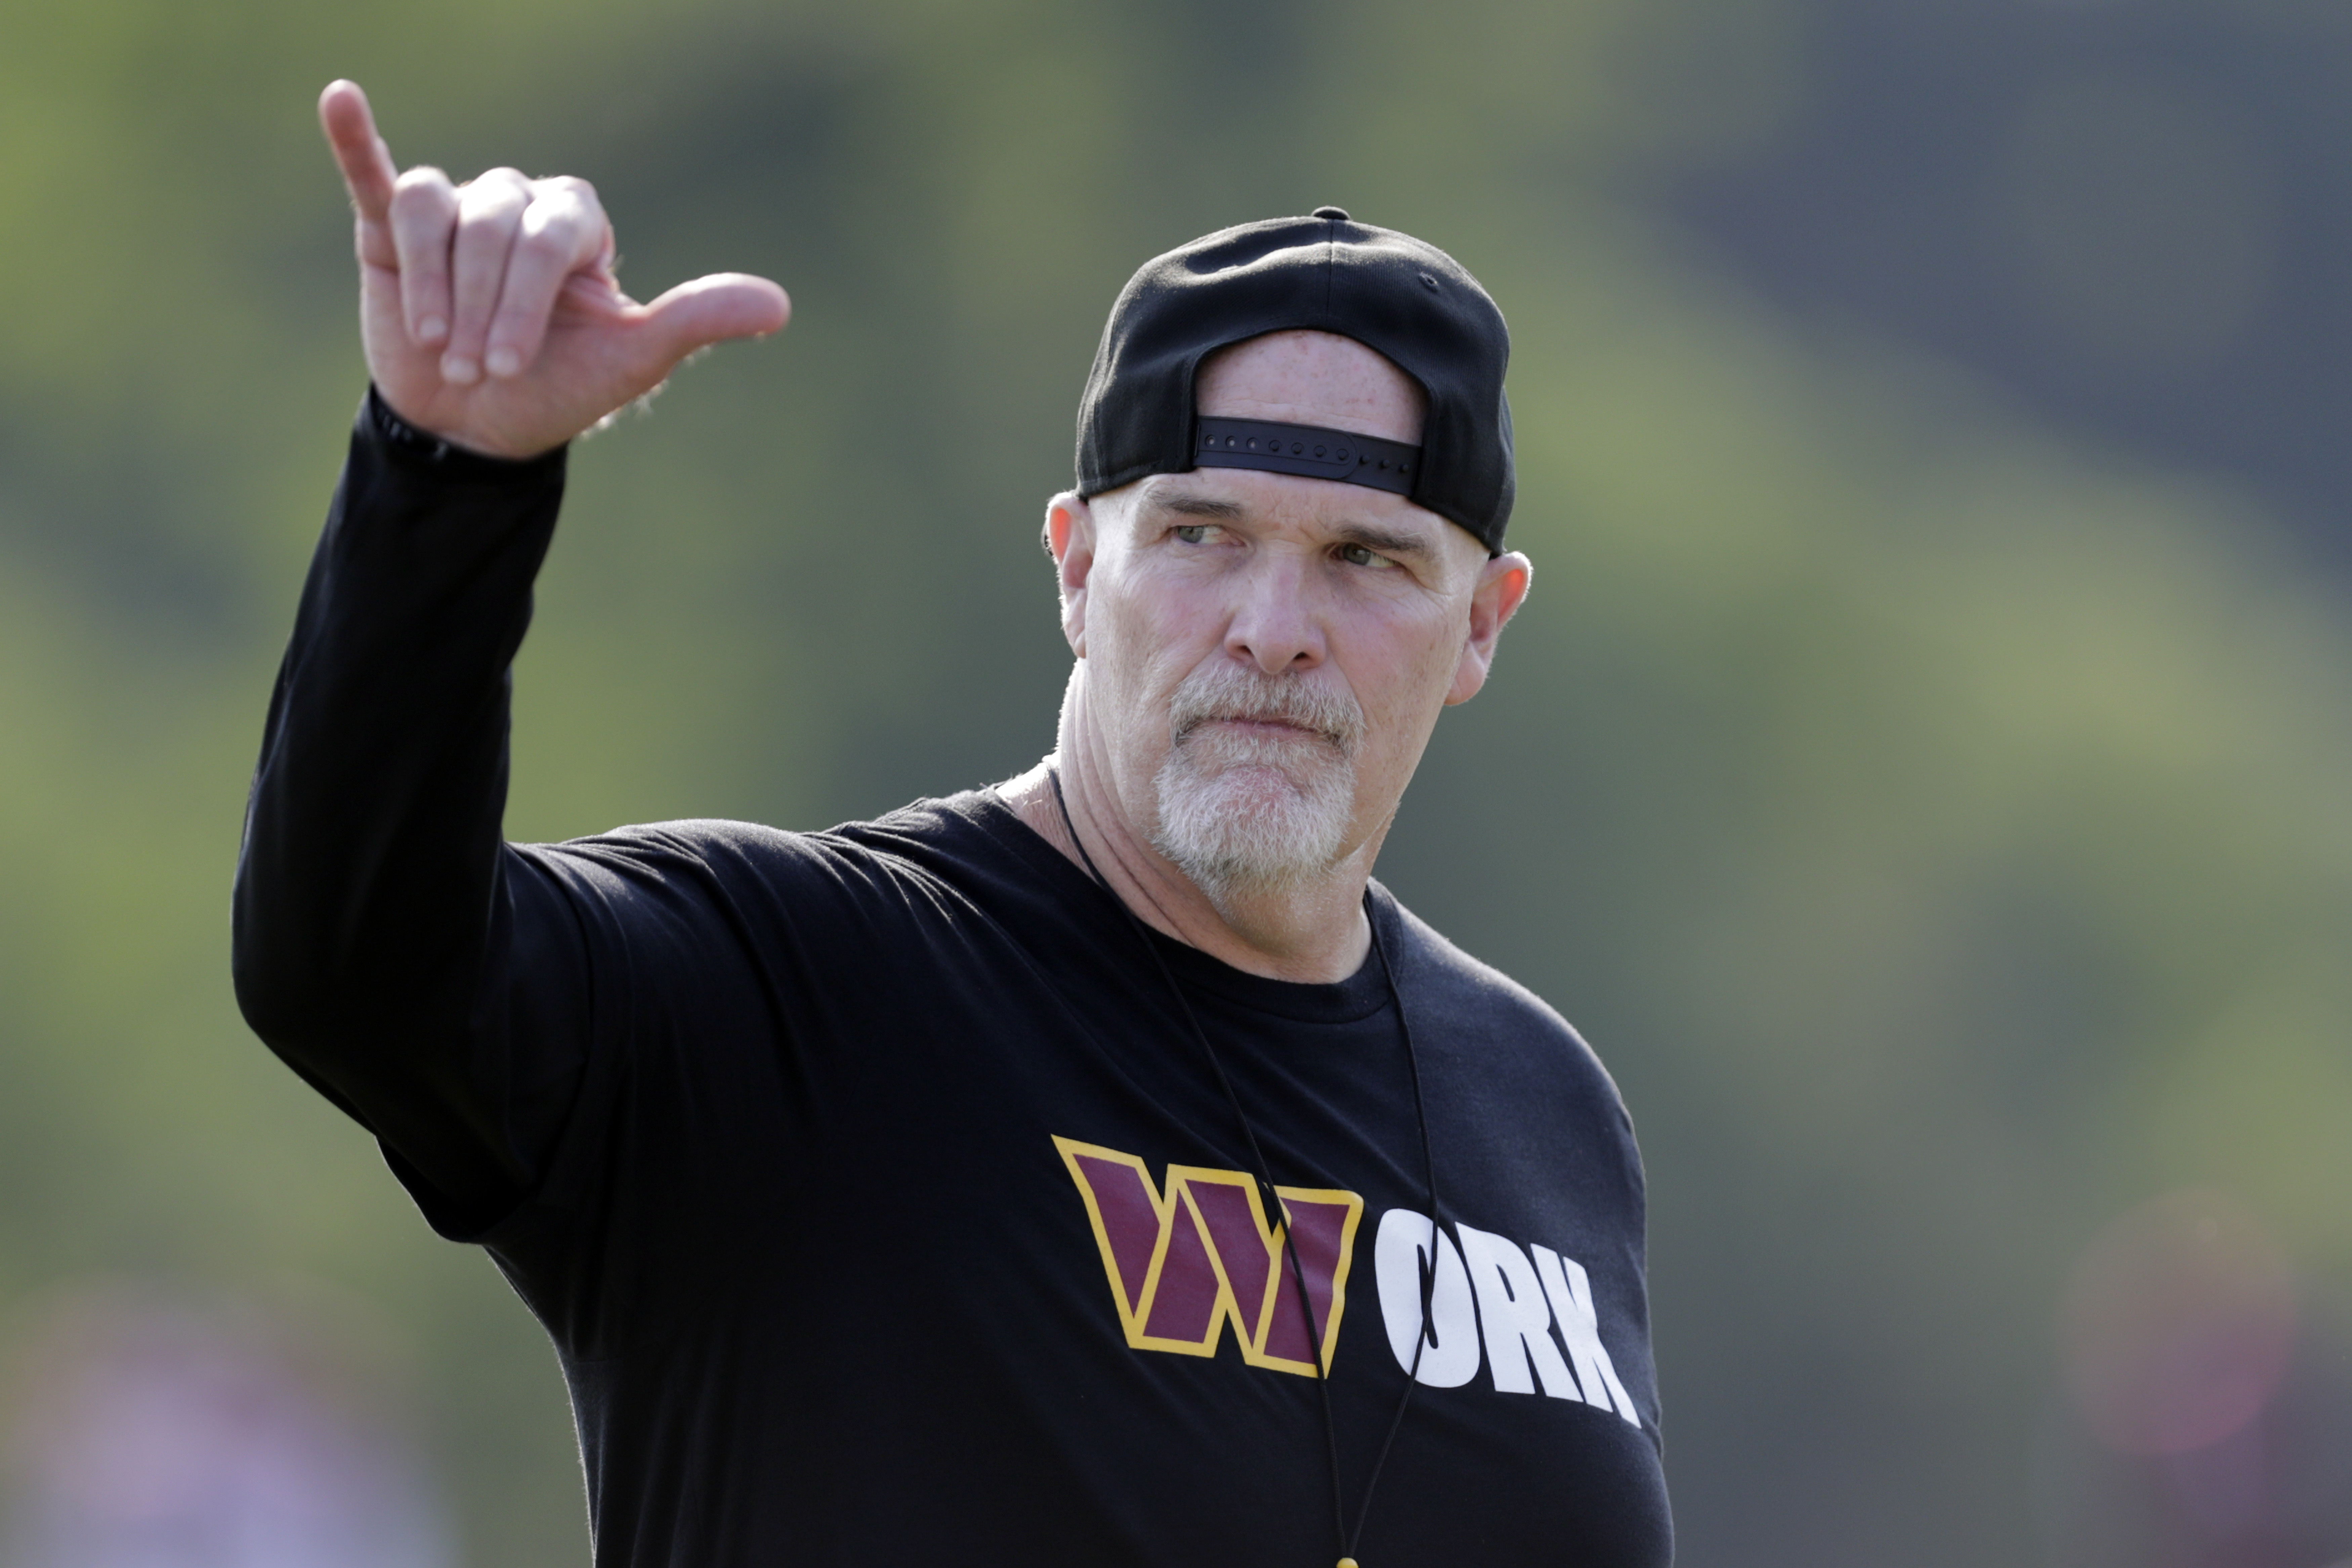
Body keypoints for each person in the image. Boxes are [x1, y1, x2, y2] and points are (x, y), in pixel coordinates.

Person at [232, 79, 1673, 1568]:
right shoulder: (799, 994)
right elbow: (355, 974)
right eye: (1198, 536)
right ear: (1072, 568)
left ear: (1484, 627)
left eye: (1367, 559)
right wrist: (445, 482)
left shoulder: (1543, 1109)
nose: (1271, 628)